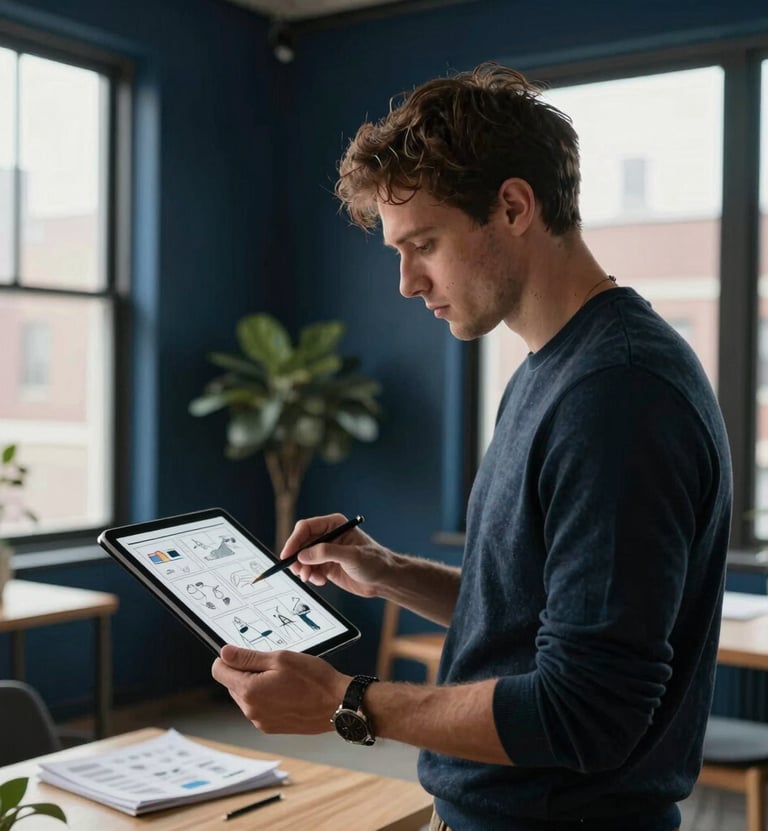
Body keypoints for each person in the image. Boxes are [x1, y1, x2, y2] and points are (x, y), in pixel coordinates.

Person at [212, 63, 733, 831]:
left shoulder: (616, 395)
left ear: (514, 206)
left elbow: (587, 711)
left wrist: (344, 701)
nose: (407, 282)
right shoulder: (555, 370)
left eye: (423, 243)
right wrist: (386, 571)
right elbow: (537, 614)